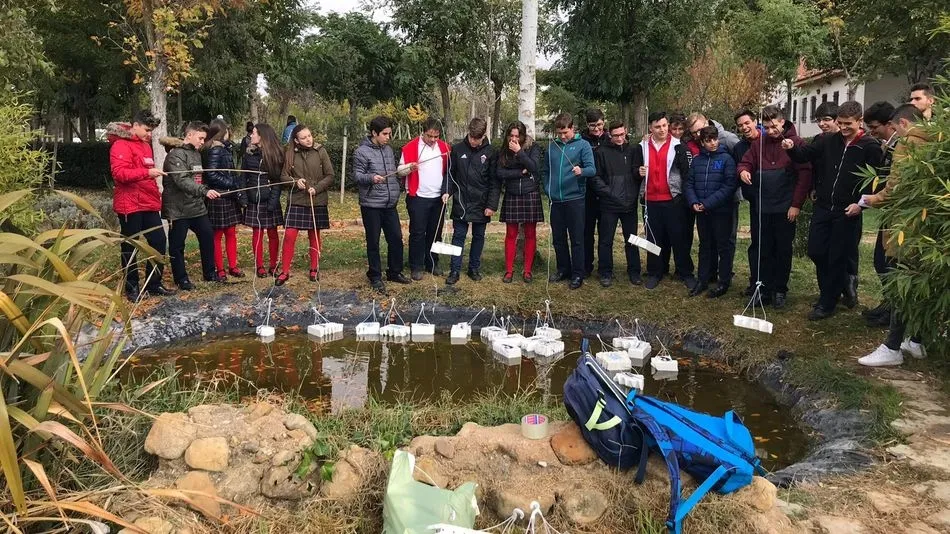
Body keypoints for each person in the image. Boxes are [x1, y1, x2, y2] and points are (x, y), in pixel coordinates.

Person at [783, 101, 884, 320]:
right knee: (816, 251)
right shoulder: (827, 141)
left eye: (849, 123)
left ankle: (827, 302)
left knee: (836, 256)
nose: (844, 127)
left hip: (848, 211)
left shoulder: (870, 146)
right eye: (841, 123)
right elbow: (804, 155)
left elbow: (878, 180)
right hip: (823, 207)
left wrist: (862, 203)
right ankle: (840, 285)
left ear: (859, 121)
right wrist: (791, 148)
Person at [857, 104, 928, 366]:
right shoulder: (938, 141)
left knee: (902, 284)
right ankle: (918, 340)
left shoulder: (908, 143)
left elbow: (895, 188)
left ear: (903, 124)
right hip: (929, 229)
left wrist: (870, 199)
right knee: (922, 284)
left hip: (907, 227)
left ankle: (892, 347)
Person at [737, 106, 812, 308]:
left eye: (773, 126)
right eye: (766, 127)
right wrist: (743, 170)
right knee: (764, 249)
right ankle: (763, 288)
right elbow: (745, 162)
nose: (770, 131)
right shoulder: (758, 143)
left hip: (785, 207)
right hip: (763, 207)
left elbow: (804, 176)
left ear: (782, 122)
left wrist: (796, 204)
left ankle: (780, 289)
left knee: (782, 249)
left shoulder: (795, 143)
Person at [107, 111, 173, 301]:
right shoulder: (120, 145)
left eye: (151, 131)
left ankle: (153, 283)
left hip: (148, 202)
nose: (149, 134)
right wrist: (147, 173)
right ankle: (132, 287)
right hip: (129, 205)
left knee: (159, 241)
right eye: (146, 130)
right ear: (135, 125)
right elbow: (119, 174)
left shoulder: (145, 146)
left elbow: (146, 171)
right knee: (131, 246)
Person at [638, 112, 696, 291]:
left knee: (679, 238)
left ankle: (685, 272)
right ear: (650, 128)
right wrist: (637, 171)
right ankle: (656, 272)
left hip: (673, 199)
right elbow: (634, 168)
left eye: (664, 125)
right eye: (657, 127)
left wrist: (686, 198)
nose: (662, 129)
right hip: (650, 200)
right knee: (653, 239)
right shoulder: (642, 146)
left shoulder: (679, 146)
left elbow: (688, 174)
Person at [353, 115, 410, 292]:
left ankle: (394, 271)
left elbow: (393, 172)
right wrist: (371, 178)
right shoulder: (361, 152)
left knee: (396, 239)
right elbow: (356, 176)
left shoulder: (387, 150)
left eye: (389, 134)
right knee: (374, 241)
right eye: (385, 134)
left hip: (389, 203)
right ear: (374, 133)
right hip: (371, 205)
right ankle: (375, 275)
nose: (388, 137)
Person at [161, 121, 220, 290]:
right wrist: (204, 191)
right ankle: (181, 279)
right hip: (178, 209)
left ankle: (210, 273)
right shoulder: (175, 155)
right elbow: (182, 180)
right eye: (200, 138)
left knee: (208, 235)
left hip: (196, 206)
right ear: (189, 135)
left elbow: (197, 177)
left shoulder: (196, 154)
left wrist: (204, 191)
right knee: (177, 244)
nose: (202, 142)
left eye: (204, 139)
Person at [812, 101, 859, 307]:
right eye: (819, 120)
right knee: (820, 250)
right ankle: (830, 290)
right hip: (824, 200)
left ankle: (847, 287)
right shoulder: (822, 141)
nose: (823, 124)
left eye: (827, 120)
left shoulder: (858, 143)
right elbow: (814, 165)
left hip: (847, 206)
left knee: (844, 252)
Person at [276, 124, 334, 285]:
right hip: (297, 200)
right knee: (289, 235)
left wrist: (317, 188)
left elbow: (330, 176)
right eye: (303, 138)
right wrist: (295, 181)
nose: (308, 139)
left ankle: (314, 268)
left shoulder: (320, 151)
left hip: (316, 200)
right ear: (296, 140)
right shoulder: (290, 153)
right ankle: (285, 271)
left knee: (314, 236)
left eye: (309, 136)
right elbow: (283, 177)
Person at [685, 126, 738, 298]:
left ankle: (723, 282)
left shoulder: (727, 159)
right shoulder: (697, 160)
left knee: (723, 247)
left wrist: (707, 203)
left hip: (721, 211)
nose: (712, 143)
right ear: (702, 142)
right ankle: (703, 279)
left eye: (714, 139)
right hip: (702, 212)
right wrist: (694, 201)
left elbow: (729, 186)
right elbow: (689, 183)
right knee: (705, 246)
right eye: (708, 140)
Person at [546, 112, 596, 289]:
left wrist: (581, 171)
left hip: (575, 198)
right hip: (556, 200)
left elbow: (592, 169)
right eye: (559, 133)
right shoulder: (552, 146)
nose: (562, 136)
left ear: (572, 128)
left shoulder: (583, 145)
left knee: (576, 238)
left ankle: (577, 273)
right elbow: (546, 170)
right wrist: (547, 188)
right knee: (558, 238)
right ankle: (563, 269)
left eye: (565, 132)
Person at [489, 121, 543, 283]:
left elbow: (534, 167)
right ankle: (509, 270)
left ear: (522, 136)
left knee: (530, 233)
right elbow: (500, 173)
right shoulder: (503, 151)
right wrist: (520, 172)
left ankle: (527, 271)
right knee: (511, 234)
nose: (513, 139)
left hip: (530, 193)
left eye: (517, 136)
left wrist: (520, 152)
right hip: (512, 194)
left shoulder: (533, 147)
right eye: (511, 136)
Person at [590, 120, 642, 287]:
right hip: (608, 204)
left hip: (629, 204)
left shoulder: (635, 149)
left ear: (626, 131)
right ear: (609, 135)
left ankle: (634, 271)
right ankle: (605, 272)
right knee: (606, 240)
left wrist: (639, 174)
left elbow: (637, 172)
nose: (619, 138)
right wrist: (608, 193)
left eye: (622, 134)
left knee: (632, 239)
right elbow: (595, 178)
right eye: (615, 136)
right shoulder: (600, 152)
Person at [861, 102, 899, 326]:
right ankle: (888, 302)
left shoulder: (901, 147)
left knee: (887, 262)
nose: (871, 131)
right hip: (887, 213)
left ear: (890, 124)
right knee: (879, 260)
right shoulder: (888, 145)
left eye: (874, 127)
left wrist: (872, 199)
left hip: (896, 214)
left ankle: (893, 309)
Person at [446, 118, 495, 284]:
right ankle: (454, 270)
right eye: (472, 138)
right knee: (458, 236)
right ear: (468, 132)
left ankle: (474, 268)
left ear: (483, 136)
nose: (474, 142)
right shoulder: (457, 149)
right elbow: (450, 175)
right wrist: (447, 192)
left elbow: (494, 182)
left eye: (478, 139)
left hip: (481, 203)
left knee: (478, 236)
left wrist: (491, 205)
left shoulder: (490, 152)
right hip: (461, 201)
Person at [400, 117, 451, 280]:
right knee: (417, 232)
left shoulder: (444, 148)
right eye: (430, 136)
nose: (433, 140)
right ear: (423, 132)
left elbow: (449, 173)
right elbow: (400, 170)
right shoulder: (410, 147)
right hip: (418, 197)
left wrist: (446, 192)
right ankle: (416, 265)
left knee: (435, 233)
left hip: (438, 198)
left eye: (436, 136)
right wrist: (409, 168)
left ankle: (432, 263)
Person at [203, 118, 246, 281]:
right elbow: (212, 174)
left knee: (231, 232)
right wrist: (232, 184)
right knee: (218, 235)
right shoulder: (215, 149)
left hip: (228, 195)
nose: (229, 133)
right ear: (221, 132)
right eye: (227, 130)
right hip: (219, 196)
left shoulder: (225, 148)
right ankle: (220, 269)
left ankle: (233, 266)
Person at [242, 123, 285, 278]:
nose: (251, 135)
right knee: (257, 233)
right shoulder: (248, 154)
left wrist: (273, 202)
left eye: (253, 133)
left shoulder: (276, 154)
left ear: (262, 136)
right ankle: (259, 266)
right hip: (254, 200)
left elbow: (277, 181)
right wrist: (244, 198)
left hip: (269, 201)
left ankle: (274, 265)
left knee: (273, 233)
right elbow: (243, 178)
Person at [733, 109, 763, 297]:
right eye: (740, 125)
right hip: (754, 200)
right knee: (757, 243)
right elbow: (739, 168)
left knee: (775, 245)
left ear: (755, 121)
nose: (744, 127)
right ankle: (756, 281)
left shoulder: (768, 140)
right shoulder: (739, 147)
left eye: (747, 123)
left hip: (775, 200)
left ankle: (776, 286)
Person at [581, 108, 609, 278]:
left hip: (606, 192)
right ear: (587, 125)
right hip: (587, 193)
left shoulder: (611, 139)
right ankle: (586, 266)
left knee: (605, 234)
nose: (596, 129)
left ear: (603, 122)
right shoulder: (582, 140)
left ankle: (605, 268)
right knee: (586, 232)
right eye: (592, 126)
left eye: (599, 125)